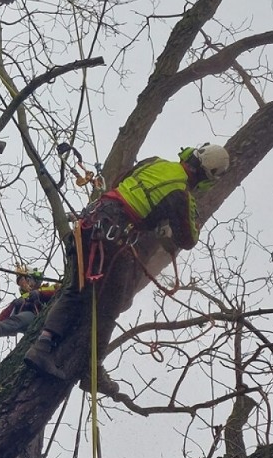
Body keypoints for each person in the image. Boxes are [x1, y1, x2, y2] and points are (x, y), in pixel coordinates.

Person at [25, 143, 230, 378]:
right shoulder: (181, 195)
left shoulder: (155, 161)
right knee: (112, 304)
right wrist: (167, 227)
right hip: (113, 236)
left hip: (92, 221)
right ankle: (91, 369)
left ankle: (42, 346)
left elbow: (122, 181)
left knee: (75, 290)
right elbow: (188, 238)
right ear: (208, 176)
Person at [0, 267, 60, 339]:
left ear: (35, 279)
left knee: (21, 319)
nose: (24, 284)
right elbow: (2, 319)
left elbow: (59, 292)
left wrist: (40, 294)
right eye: (21, 283)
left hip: (46, 317)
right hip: (32, 324)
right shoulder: (22, 299)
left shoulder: (49, 288)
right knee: (16, 320)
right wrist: (14, 305)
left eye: (27, 280)